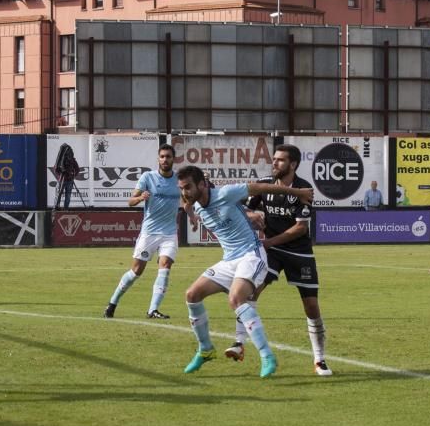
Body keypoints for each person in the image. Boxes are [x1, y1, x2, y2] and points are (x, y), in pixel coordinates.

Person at [176, 166, 313, 378]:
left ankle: (267, 355)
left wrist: (298, 192)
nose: (185, 192)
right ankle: (205, 349)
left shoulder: (226, 193)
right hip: (229, 260)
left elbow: (263, 187)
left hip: (251, 254)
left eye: (188, 187)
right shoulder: (194, 204)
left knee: (236, 299)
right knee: (191, 295)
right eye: (182, 188)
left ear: (202, 184)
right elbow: (186, 204)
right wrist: (191, 215)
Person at [233, 144, 332, 376]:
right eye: (274, 159)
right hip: (272, 251)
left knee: (311, 306)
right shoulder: (265, 184)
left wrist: (268, 242)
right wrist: (252, 214)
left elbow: (300, 228)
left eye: (280, 160)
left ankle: (319, 359)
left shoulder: (303, 189)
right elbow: (243, 209)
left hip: (299, 252)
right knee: (251, 291)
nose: (274, 163)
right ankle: (238, 344)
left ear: (293, 164)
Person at [103, 144, 197, 320]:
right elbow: (130, 201)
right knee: (136, 271)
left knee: (165, 265)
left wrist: (191, 216)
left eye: (168, 156)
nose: (165, 159)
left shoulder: (178, 180)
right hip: (149, 232)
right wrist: (140, 198)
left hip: (169, 233)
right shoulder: (148, 177)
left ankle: (153, 309)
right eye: (162, 156)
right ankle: (112, 303)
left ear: (173, 159)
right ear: (158, 159)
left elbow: (185, 201)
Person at [53, 144, 79, 210]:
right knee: (62, 194)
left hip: (67, 180)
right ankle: (60, 207)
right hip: (63, 179)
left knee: (63, 195)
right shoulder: (65, 160)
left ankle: (61, 208)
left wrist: (72, 175)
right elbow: (56, 169)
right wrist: (61, 175)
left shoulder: (71, 160)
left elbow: (77, 169)